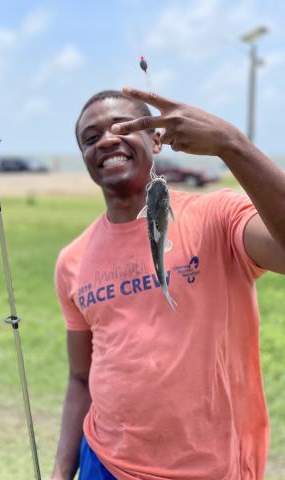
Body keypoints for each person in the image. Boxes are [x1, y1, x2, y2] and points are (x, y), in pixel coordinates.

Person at [51, 87, 285, 480]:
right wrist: (61, 473)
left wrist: (231, 144)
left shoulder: (217, 216)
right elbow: (80, 376)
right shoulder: (72, 259)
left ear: (156, 139)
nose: (107, 140)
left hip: (213, 469)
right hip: (104, 462)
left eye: (123, 127)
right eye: (91, 138)